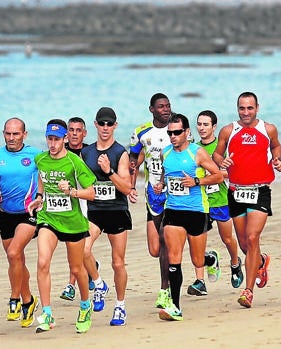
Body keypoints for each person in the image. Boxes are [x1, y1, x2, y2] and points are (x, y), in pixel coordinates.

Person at [213, 91, 281, 308]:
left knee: (253, 237)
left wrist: (277, 159)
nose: (246, 112)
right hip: (235, 192)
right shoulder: (228, 130)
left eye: (250, 108)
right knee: (245, 244)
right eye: (242, 108)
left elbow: (275, 146)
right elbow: (217, 154)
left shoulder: (268, 128)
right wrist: (222, 161)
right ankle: (261, 261)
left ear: (257, 108)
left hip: (260, 191)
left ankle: (248, 291)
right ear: (237, 109)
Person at [27, 119, 97, 333]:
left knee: (76, 268)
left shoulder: (74, 162)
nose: (53, 144)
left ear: (65, 139)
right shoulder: (41, 159)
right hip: (48, 218)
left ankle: (85, 305)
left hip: (72, 222)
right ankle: (47, 313)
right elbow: (41, 178)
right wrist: (39, 197)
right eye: (50, 139)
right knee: (42, 262)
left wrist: (72, 192)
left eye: (57, 139)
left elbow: (92, 193)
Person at [154, 113, 223, 321]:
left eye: (176, 132)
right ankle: (175, 306)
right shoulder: (165, 153)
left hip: (196, 211)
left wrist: (196, 181)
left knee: (197, 260)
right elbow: (165, 178)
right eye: (169, 133)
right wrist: (160, 185)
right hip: (173, 209)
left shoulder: (197, 153)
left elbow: (218, 176)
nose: (173, 136)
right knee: (174, 260)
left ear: (186, 132)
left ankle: (210, 259)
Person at [0, 118, 40, 328]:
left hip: (29, 212)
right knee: (16, 261)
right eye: (8, 134)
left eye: (16, 134)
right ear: (3, 133)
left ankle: (14, 298)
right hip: (6, 214)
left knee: (14, 253)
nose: (11, 138)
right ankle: (28, 301)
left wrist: (42, 196)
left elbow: (48, 175)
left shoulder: (35, 155)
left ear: (25, 134)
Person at [81, 107, 133, 326]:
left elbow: (127, 187)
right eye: (101, 123)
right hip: (94, 211)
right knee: (82, 251)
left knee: (117, 262)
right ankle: (99, 283)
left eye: (109, 124)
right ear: (95, 124)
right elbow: (81, 182)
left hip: (117, 211)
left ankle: (120, 306)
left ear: (115, 126)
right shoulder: (86, 153)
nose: (105, 127)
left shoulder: (120, 152)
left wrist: (109, 170)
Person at [186, 110, 243, 296]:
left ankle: (235, 263)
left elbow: (236, 172)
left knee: (227, 238)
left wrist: (214, 175)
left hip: (221, 200)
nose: (202, 128)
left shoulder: (222, 148)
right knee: (194, 241)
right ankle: (201, 279)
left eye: (206, 125)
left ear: (214, 127)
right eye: (199, 124)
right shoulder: (193, 149)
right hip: (199, 202)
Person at [128, 93, 174, 308]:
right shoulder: (141, 132)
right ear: (152, 109)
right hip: (152, 196)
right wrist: (130, 186)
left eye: (168, 106)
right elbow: (133, 161)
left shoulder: (177, 128)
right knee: (155, 250)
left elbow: (188, 156)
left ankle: (165, 289)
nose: (166, 109)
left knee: (166, 238)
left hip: (174, 194)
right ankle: (204, 257)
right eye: (161, 106)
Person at [60, 115, 102, 302]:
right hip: (65, 206)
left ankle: (71, 285)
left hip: (90, 206)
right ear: (66, 133)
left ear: (85, 133)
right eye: (71, 130)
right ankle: (92, 267)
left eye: (79, 130)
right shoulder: (59, 152)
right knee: (74, 247)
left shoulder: (90, 153)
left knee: (77, 246)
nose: (75, 134)